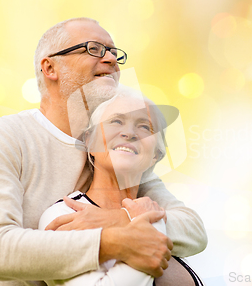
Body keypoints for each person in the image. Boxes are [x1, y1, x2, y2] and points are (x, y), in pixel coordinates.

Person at [0, 17, 207, 286]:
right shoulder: (3, 137)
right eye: (94, 49)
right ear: (50, 67)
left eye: (113, 51)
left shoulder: (112, 152)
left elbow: (192, 229)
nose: (111, 59)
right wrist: (115, 241)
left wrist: (118, 219)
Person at [39, 87, 201, 286]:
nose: (129, 132)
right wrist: (149, 223)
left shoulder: (158, 212)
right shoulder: (64, 214)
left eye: (145, 127)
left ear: (155, 156)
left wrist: (133, 218)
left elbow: (198, 233)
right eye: (116, 121)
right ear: (89, 141)